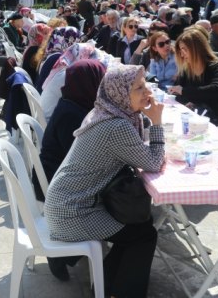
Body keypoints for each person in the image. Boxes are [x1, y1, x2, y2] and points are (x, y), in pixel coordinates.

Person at [44, 65, 165, 294]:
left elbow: (139, 152)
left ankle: (106, 284)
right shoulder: (117, 126)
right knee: (143, 234)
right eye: (139, 87)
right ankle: (115, 290)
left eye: (145, 83)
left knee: (139, 227)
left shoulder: (105, 112)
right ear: (120, 93)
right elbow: (154, 163)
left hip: (65, 202)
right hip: (73, 212)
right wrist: (157, 123)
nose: (147, 90)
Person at [36, 58, 106, 203]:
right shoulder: (71, 115)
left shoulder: (74, 103)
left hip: (59, 177)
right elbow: (84, 159)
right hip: (57, 189)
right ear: (90, 82)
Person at [168, 27, 218, 134]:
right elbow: (177, 91)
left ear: (197, 48)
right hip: (197, 116)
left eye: (184, 49)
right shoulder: (188, 68)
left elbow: (216, 89)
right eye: (180, 50)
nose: (182, 55)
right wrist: (187, 101)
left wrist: (184, 91)